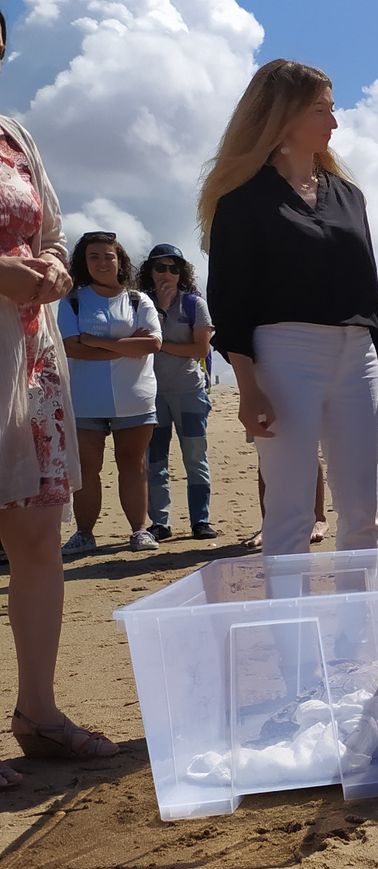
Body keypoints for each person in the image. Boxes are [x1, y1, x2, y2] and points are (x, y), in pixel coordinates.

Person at [199, 59, 378, 558]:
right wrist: (248, 389)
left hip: (357, 354)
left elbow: (370, 291)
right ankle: (288, 635)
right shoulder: (242, 202)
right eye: (321, 110)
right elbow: (230, 303)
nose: (333, 123)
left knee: (364, 512)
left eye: (332, 110)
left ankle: (359, 633)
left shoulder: (349, 196)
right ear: (281, 115)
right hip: (284, 353)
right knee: (290, 513)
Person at [0, 10, 120, 789]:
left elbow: (52, 222)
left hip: (29, 352)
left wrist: (51, 265)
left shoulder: (14, 133)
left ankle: (38, 712)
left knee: (39, 532)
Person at [57, 232, 162, 554]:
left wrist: (96, 341)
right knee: (88, 469)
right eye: (94, 257)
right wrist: (124, 347)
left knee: (133, 465)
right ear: (83, 262)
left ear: (120, 260)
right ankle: (84, 533)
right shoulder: (73, 300)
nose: (102, 262)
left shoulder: (137, 300)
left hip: (135, 397)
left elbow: (153, 343)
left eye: (108, 256)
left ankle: (139, 531)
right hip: (86, 399)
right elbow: (70, 348)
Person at [139, 243, 216, 541]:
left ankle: (201, 520)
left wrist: (159, 345)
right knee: (155, 461)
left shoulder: (194, 304)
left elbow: (200, 348)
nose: (167, 273)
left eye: (174, 268)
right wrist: (157, 313)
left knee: (195, 458)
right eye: (161, 267)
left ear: (182, 272)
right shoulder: (139, 303)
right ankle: (160, 522)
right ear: (150, 270)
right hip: (151, 394)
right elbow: (134, 342)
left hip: (189, 392)